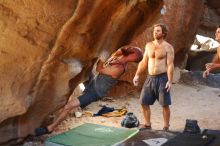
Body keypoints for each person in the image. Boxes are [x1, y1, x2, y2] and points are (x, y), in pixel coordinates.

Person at [35, 46, 143, 136]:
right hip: (93, 82)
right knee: (80, 67)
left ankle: (50, 128)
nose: (131, 48)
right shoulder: (121, 55)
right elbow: (115, 51)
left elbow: (99, 69)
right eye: (134, 48)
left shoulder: (120, 68)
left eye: (134, 51)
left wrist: (102, 59)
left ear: (133, 58)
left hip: (95, 92)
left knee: (69, 106)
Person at [133, 24, 174, 131]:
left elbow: (170, 65)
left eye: (158, 31)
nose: (155, 33)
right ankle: (147, 124)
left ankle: (166, 126)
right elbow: (143, 62)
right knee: (143, 102)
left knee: (164, 104)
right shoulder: (149, 45)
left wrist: (170, 81)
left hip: (162, 78)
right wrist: (137, 75)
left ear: (163, 33)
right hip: (150, 78)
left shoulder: (168, 47)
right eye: (154, 31)